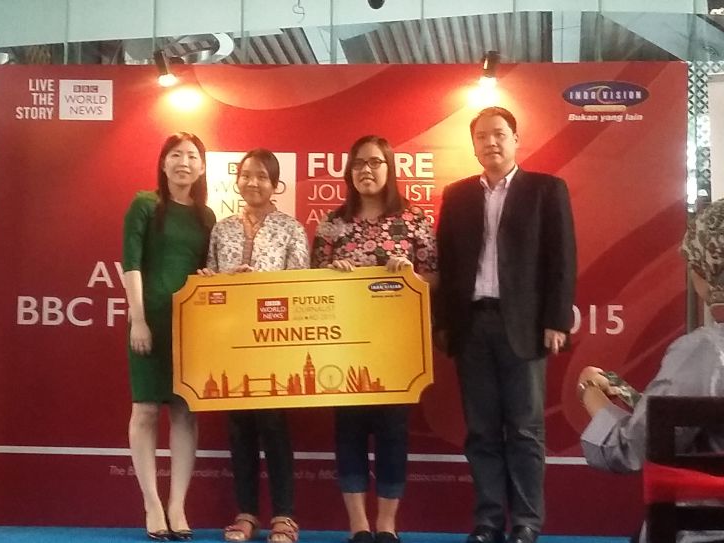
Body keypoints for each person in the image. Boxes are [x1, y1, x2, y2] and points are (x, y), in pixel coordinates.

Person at [435, 106, 577, 543]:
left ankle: (526, 523)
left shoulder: (546, 190)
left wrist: (556, 320)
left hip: (526, 327)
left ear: (515, 139)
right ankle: (488, 522)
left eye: (499, 134)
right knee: (480, 432)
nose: (490, 142)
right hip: (472, 326)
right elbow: (447, 264)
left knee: (525, 430)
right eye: (481, 136)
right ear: (473, 145)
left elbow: (562, 258)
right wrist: (444, 323)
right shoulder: (457, 195)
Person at [311, 135, 437, 543]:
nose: (366, 170)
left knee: (392, 433)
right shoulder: (333, 224)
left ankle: (386, 525)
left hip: (397, 347)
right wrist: (332, 273)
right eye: (358, 163)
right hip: (342, 344)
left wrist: (411, 276)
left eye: (375, 162)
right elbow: (311, 283)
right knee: (348, 431)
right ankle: (358, 526)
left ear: (390, 168)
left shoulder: (414, 220)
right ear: (349, 172)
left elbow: (435, 278)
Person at [577, 199, 724, 543]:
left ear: (703, 271)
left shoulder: (705, 350)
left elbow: (633, 449)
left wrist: (591, 394)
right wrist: (630, 396)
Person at [199, 148, 309, 543]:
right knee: (239, 428)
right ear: (237, 180)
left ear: (276, 184)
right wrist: (219, 279)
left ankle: (284, 516)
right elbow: (210, 282)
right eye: (247, 175)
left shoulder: (291, 229)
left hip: (274, 343)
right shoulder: (222, 228)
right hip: (230, 343)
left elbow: (300, 286)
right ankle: (246, 513)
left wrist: (258, 283)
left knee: (274, 426)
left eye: (262, 176)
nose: (253, 182)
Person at [122, 132, 216, 541]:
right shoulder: (144, 204)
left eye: (192, 156)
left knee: (184, 412)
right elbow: (131, 262)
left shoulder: (206, 217)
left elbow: (207, 270)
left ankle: (178, 504)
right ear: (163, 163)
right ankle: (152, 504)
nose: (184, 162)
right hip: (150, 320)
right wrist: (138, 318)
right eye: (176, 155)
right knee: (145, 410)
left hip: (191, 324)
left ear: (202, 167)